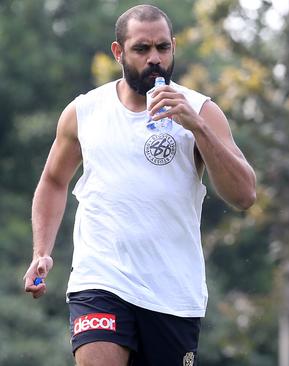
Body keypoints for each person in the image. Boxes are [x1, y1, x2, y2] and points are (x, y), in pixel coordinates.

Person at [22, 4, 256, 365]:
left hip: (172, 294)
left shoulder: (201, 111)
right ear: (119, 52)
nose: (155, 59)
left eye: (163, 48)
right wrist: (41, 252)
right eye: (142, 49)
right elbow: (53, 181)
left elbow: (244, 195)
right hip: (99, 281)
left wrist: (197, 128)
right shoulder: (84, 112)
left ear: (173, 47)